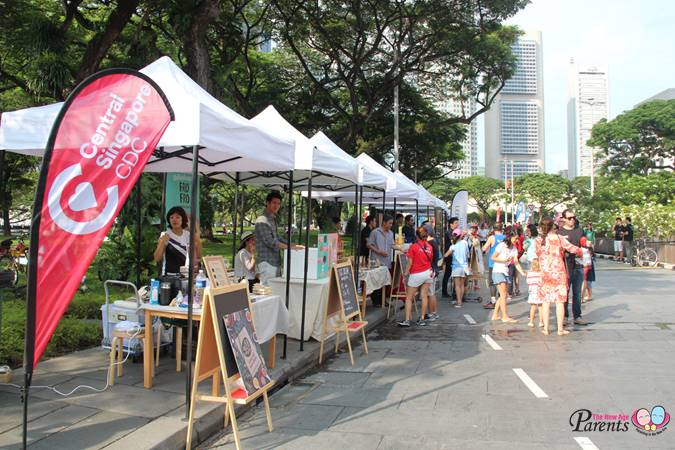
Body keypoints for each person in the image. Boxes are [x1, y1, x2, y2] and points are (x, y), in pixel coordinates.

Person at [535, 216, 583, 336]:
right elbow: (572, 249)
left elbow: (538, 253)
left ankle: (546, 329)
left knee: (546, 301)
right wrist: (582, 251)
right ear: (553, 226)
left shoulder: (538, 240)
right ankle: (560, 329)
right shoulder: (559, 238)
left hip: (545, 272)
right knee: (559, 301)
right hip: (558, 272)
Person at [255, 191, 302, 285]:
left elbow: (277, 237)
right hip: (267, 263)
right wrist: (290, 247)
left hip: (275, 262)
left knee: (275, 291)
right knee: (267, 293)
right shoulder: (261, 220)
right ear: (267, 203)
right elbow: (271, 242)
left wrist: (292, 244)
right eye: (274, 203)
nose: (276, 205)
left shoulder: (272, 219)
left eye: (278, 203)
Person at [398, 226, 433, 327]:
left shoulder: (413, 246)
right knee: (424, 296)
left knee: (409, 298)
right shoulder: (429, 247)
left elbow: (409, 263)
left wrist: (405, 274)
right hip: (428, 273)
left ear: (417, 236)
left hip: (416, 274)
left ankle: (407, 320)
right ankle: (422, 318)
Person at [153, 206, 202, 275]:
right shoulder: (165, 235)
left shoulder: (189, 235)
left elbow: (199, 257)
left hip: (187, 275)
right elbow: (157, 258)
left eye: (177, 217)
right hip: (170, 276)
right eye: (171, 217)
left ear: (183, 219)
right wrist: (162, 243)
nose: (174, 220)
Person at [558, 209, 586, 325]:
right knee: (565, 292)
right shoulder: (559, 232)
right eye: (569, 218)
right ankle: (564, 316)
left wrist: (587, 244)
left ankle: (577, 316)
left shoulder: (579, 231)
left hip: (578, 264)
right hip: (564, 266)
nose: (572, 220)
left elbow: (584, 243)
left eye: (574, 217)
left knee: (577, 293)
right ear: (564, 219)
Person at [490, 229, 525, 323]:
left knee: (503, 295)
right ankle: (504, 316)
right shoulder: (502, 245)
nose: (517, 241)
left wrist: (522, 273)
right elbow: (493, 257)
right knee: (503, 294)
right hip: (498, 271)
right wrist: (504, 260)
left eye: (518, 239)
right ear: (510, 237)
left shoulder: (514, 249)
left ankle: (495, 315)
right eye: (516, 238)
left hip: (505, 272)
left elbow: (516, 262)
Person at [367, 214, 394, 306]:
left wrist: (400, 248)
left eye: (392, 224)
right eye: (389, 223)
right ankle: (376, 300)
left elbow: (392, 245)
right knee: (376, 280)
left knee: (384, 281)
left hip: (387, 260)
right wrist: (379, 251)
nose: (391, 225)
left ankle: (383, 300)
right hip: (377, 260)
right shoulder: (375, 232)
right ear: (384, 223)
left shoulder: (391, 233)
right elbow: (369, 244)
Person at [443, 228, 470, 308]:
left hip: (456, 267)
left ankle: (459, 302)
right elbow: (468, 255)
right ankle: (460, 300)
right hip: (464, 267)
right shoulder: (465, 243)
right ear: (460, 235)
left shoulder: (453, 246)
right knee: (462, 285)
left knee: (457, 286)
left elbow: (446, 255)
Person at [481, 224, 505, 309]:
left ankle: (493, 301)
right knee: (502, 282)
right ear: (501, 229)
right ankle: (501, 300)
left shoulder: (492, 238)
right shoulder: (505, 237)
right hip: (503, 263)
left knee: (492, 282)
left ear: (493, 229)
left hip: (493, 263)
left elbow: (484, 248)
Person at [423, 223, 441, 321]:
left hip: (430, 270)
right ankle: (433, 313)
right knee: (431, 293)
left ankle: (432, 313)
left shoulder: (430, 242)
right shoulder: (433, 241)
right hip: (434, 269)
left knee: (430, 293)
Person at [441, 217, 460, 298]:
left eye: (458, 223)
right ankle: (444, 292)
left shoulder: (455, 232)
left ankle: (454, 292)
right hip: (450, 256)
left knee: (454, 275)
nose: (457, 224)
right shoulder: (449, 232)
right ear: (451, 224)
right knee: (448, 274)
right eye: (456, 223)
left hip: (455, 256)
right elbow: (453, 241)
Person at [526, 259, 543, 328]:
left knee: (533, 307)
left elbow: (528, 282)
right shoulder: (541, 274)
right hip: (540, 291)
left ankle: (531, 322)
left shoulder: (529, 274)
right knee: (540, 307)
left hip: (532, 292)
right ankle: (541, 322)